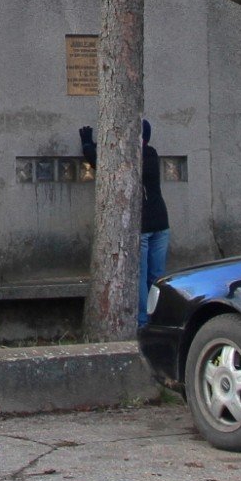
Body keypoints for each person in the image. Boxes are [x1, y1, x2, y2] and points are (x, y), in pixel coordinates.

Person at [80, 119, 172, 327]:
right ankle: (156, 318)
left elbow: (104, 160)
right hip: (160, 224)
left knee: (142, 277)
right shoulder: (151, 153)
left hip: (144, 228)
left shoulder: (138, 155)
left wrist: (88, 145)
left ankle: (143, 321)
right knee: (155, 276)